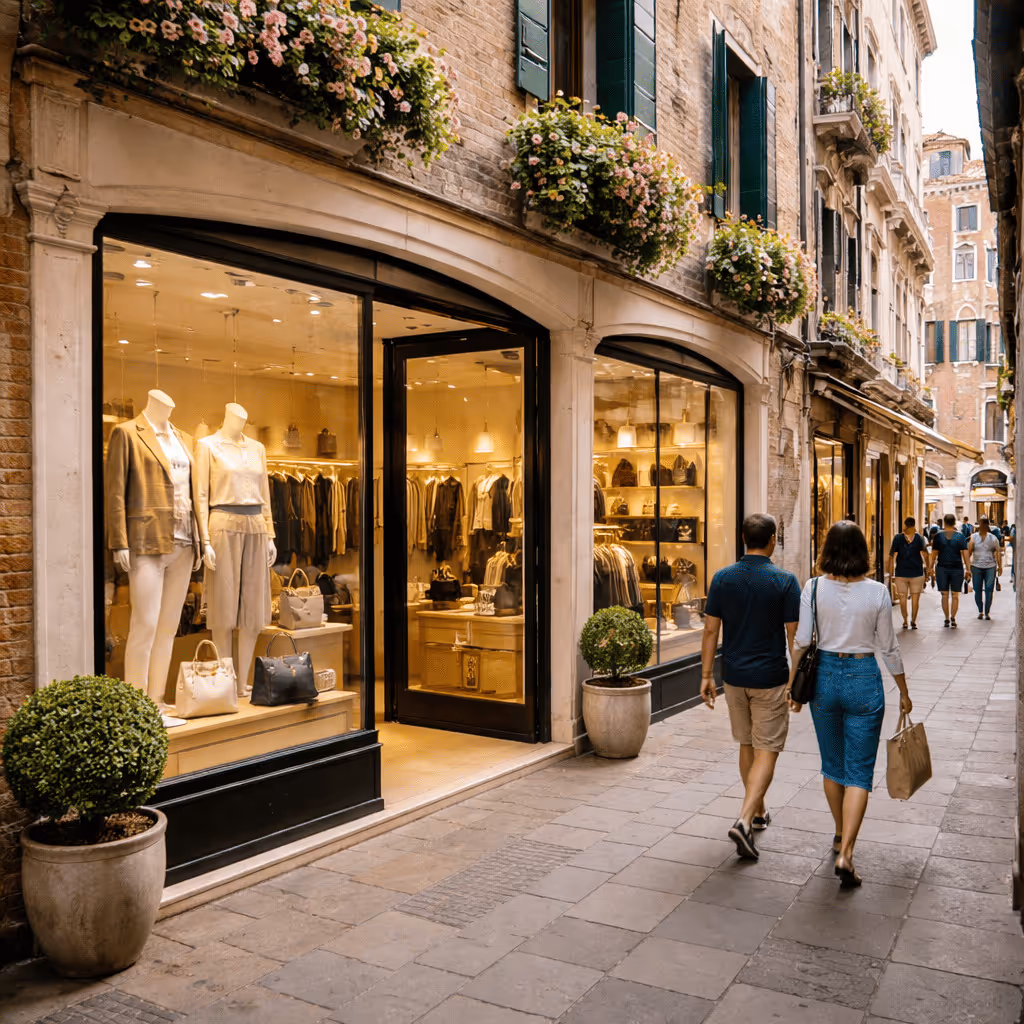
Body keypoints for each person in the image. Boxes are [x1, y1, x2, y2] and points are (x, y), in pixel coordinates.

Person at [788, 521, 912, 888]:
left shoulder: (812, 588)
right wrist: (903, 690)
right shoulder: (877, 592)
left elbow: (800, 640)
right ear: (862, 552)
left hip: (823, 678)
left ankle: (840, 833)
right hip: (863, 678)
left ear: (827, 550)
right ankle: (847, 854)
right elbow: (889, 647)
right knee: (859, 771)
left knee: (832, 765)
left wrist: (792, 688)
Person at [700, 513, 801, 861]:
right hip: (770, 677)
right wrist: (796, 679)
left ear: (744, 539)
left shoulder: (722, 578)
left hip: (734, 677)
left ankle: (757, 810)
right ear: (772, 539)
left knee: (746, 743)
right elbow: (794, 637)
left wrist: (704, 676)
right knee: (767, 748)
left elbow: (710, 631)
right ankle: (744, 820)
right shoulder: (785, 581)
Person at [887, 516, 927, 630]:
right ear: (914, 525)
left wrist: (890, 571)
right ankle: (913, 621)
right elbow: (925, 554)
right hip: (917, 572)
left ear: (905, 524)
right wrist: (928, 569)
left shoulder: (897, 537)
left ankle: (905, 621)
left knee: (903, 598)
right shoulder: (919, 538)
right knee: (915, 598)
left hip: (901, 572)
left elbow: (891, 556)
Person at [931, 513, 970, 627]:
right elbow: (965, 554)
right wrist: (968, 569)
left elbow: (934, 554)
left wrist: (930, 568)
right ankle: (953, 617)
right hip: (957, 568)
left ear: (944, 522)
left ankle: (946, 618)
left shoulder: (938, 536)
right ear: (954, 522)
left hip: (942, 568)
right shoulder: (960, 536)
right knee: (955, 594)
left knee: (944, 595)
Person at [968, 515, 1002, 620]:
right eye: (981, 524)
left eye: (984, 524)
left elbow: (998, 552)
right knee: (977, 589)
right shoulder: (973, 537)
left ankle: (987, 612)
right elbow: (969, 552)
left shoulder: (993, 538)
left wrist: (1000, 566)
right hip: (976, 566)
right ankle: (980, 610)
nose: (982, 526)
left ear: (987, 526)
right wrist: (967, 567)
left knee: (989, 589)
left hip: (990, 567)